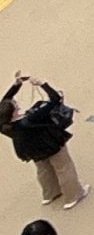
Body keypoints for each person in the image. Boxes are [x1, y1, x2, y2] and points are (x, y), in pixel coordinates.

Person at [0, 78, 84, 208]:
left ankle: (50, 193)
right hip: (49, 144)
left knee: (43, 170)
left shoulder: (4, 125)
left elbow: (4, 106)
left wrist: (16, 86)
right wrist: (43, 84)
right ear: (14, 110)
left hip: (31, 149)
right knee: (63, 168)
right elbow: (55, 99)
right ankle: (73, 196)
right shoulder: (31, 118)